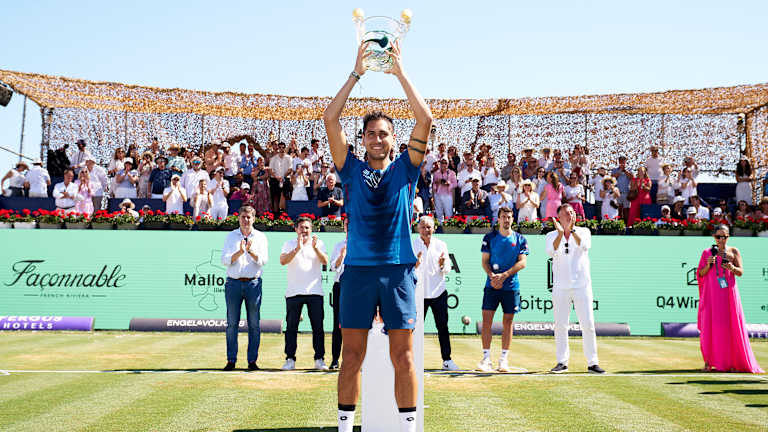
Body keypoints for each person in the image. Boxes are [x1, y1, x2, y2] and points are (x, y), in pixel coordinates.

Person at [323, 40, 432, 432]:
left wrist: (399, 72)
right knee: (350, 356)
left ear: (392, 139)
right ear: (363, 139)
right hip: (357, 271)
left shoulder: (406, 168)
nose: (377, 138)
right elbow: (330, 119)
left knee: (403, 358)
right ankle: (344, 428)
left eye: (384, 133)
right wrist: (357, 72)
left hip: (398, 271)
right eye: (370, 133)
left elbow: (426, 120)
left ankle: (405, 430)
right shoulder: (349, 169)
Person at [546, 203, 605, 374]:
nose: (570, 216)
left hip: (582, 286)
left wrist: (571, 231)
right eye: (565, 214)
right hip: (560, 288)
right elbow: (552, 250)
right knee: (560, 325)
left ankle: (593, 362)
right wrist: (560, 233)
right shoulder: (551, 235)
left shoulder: (584, 231)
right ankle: (562, 362)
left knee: (588, 324)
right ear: (559, 217)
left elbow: (584, 246)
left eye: (571, 212)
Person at [696, 225, 763, 373]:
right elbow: (700, 274)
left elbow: (741, 272)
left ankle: (732, 362)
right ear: (714, 237)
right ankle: (709, 362)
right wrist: (709, 264)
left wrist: (732, 268)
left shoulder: (733, 251)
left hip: (728, 294)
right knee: (710, 326)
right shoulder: (707, 252)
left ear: (728, 237)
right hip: (711, 295)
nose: (721, 240)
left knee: (730, 326)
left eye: (724, 236)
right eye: (719, 237)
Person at [478, 207, 528, 373]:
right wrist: (493, 276)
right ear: (498, 219)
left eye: (509, 217)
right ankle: (486, 359)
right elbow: (485, 261)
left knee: (508, 322)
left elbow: (522, 263)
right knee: (487, 321)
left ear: (512, 219)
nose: (506, 220)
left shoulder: (520, 239)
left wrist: (504, 275)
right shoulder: (489, 237)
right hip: (491, 286)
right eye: (503, 217)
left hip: (511, 287)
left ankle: (503, 360)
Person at [220, 205, 268, 371]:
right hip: (233, 283)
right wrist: (240, 252)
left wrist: (251, 252)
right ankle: (231, 360)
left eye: (249, 217)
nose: (246, 220)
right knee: (232, 324)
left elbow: (263, 260)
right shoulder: (231, 236)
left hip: (253, 283)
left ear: (254, 219)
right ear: (238, 218)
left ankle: (252, 361)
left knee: (254, 324)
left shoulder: (260, 237)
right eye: (243, 217)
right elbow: (225, 260)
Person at [279, 216, 330, 371]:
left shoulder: (318, 243)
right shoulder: (289, 244)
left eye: (307, 227)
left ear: (311, 229)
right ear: (296, 229)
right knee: (292, 328)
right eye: (301, 227)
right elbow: (283, 261)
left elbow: (325, 261)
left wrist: (315, 248)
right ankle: (290, 359)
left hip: (315, 292)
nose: (304, 230)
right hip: (294, 292)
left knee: (318, 328)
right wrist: (297, 248)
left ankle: (319, 359)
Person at [412, 215, 459, 371]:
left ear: (434, 228)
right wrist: (416, 264)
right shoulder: (412, 244)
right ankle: (411, 360)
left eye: (429, 227)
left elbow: (447, 269)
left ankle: (447, 360)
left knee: (442, 327)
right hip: (419, 294)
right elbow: (408, 270)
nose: (426, 230)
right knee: (414, 329)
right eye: (423, 227)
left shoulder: (441, 244)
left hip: (438, 291)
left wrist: (442, 264)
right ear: (418, 229)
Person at [329, 218, 349, 370]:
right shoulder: (338, 246)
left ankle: (359, 360)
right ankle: (335, 360)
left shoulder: (365, 243)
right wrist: (342, 256)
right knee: (338, 324)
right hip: (341, 286)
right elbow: (333, 267)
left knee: (361, 325)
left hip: (360, 288)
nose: (349, 227)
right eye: (347, 224)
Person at [269, 142, 293, 212]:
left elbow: (290, 169)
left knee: (286, 197)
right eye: (280, 147)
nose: (281, 149)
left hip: (286, 179)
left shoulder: (289, 158)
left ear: (285, 148)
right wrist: (277, 177)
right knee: (275, 197)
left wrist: (283, 177)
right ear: (278, 148)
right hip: (275, 179)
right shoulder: (273, 158)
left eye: (283, 147)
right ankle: (275, 215)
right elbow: (270, 170)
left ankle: (286, 214)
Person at [432, 159, 457, 223]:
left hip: (447, 194)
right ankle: (439, 227)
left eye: (445, 163)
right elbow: (433, 183)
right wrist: (437, 183)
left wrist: (448, 184)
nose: (444, 164)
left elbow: (455, 184)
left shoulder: (452, 173)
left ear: (447, 164)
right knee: (438, 212)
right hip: (438, 194)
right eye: (442, 163)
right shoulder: (436, 173)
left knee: (448, 212)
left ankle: (448, 226)